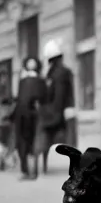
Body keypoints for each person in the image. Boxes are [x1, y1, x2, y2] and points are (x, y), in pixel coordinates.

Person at [40, 38, 77, 173]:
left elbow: (57, 94)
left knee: (47, 138)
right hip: (64, 110)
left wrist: (51, 111)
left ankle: (44, 164)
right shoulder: (63, 71)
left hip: (56, 111)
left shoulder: (53, 73)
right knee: (71, 141)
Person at [15, 56, 48, 181]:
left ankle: (33, 171)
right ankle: (25, 170)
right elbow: (19, 97)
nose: (31, 64)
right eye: (29, 62)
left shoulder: (40, 80)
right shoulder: (22, 80)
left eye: (33, 63)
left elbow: (43, 97)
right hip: (22, 114)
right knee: (22, 143)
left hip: (33, 115)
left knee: (33, 143)